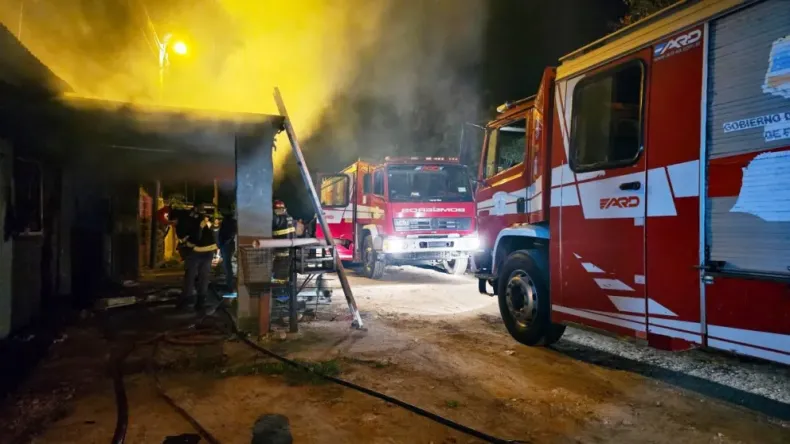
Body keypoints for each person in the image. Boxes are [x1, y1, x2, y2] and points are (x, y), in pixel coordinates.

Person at [179, 203, 218, 311]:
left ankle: (187, 299)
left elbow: (194, 236)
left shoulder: (193, 220)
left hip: (196, 251)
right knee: (204, 276)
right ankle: (201, 300)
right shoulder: (210, 222)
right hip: (209, 250)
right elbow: (215, 235)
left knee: (190, 275)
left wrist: (187, 243)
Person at [217, 208, 237, 290]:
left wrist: (224, 242)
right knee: (227, 264)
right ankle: (230, 284)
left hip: (227, 245)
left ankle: (230, 285)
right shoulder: (230, 221)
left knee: (227, 265)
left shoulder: (228, 222)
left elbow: (229, 233)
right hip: (227, 245)